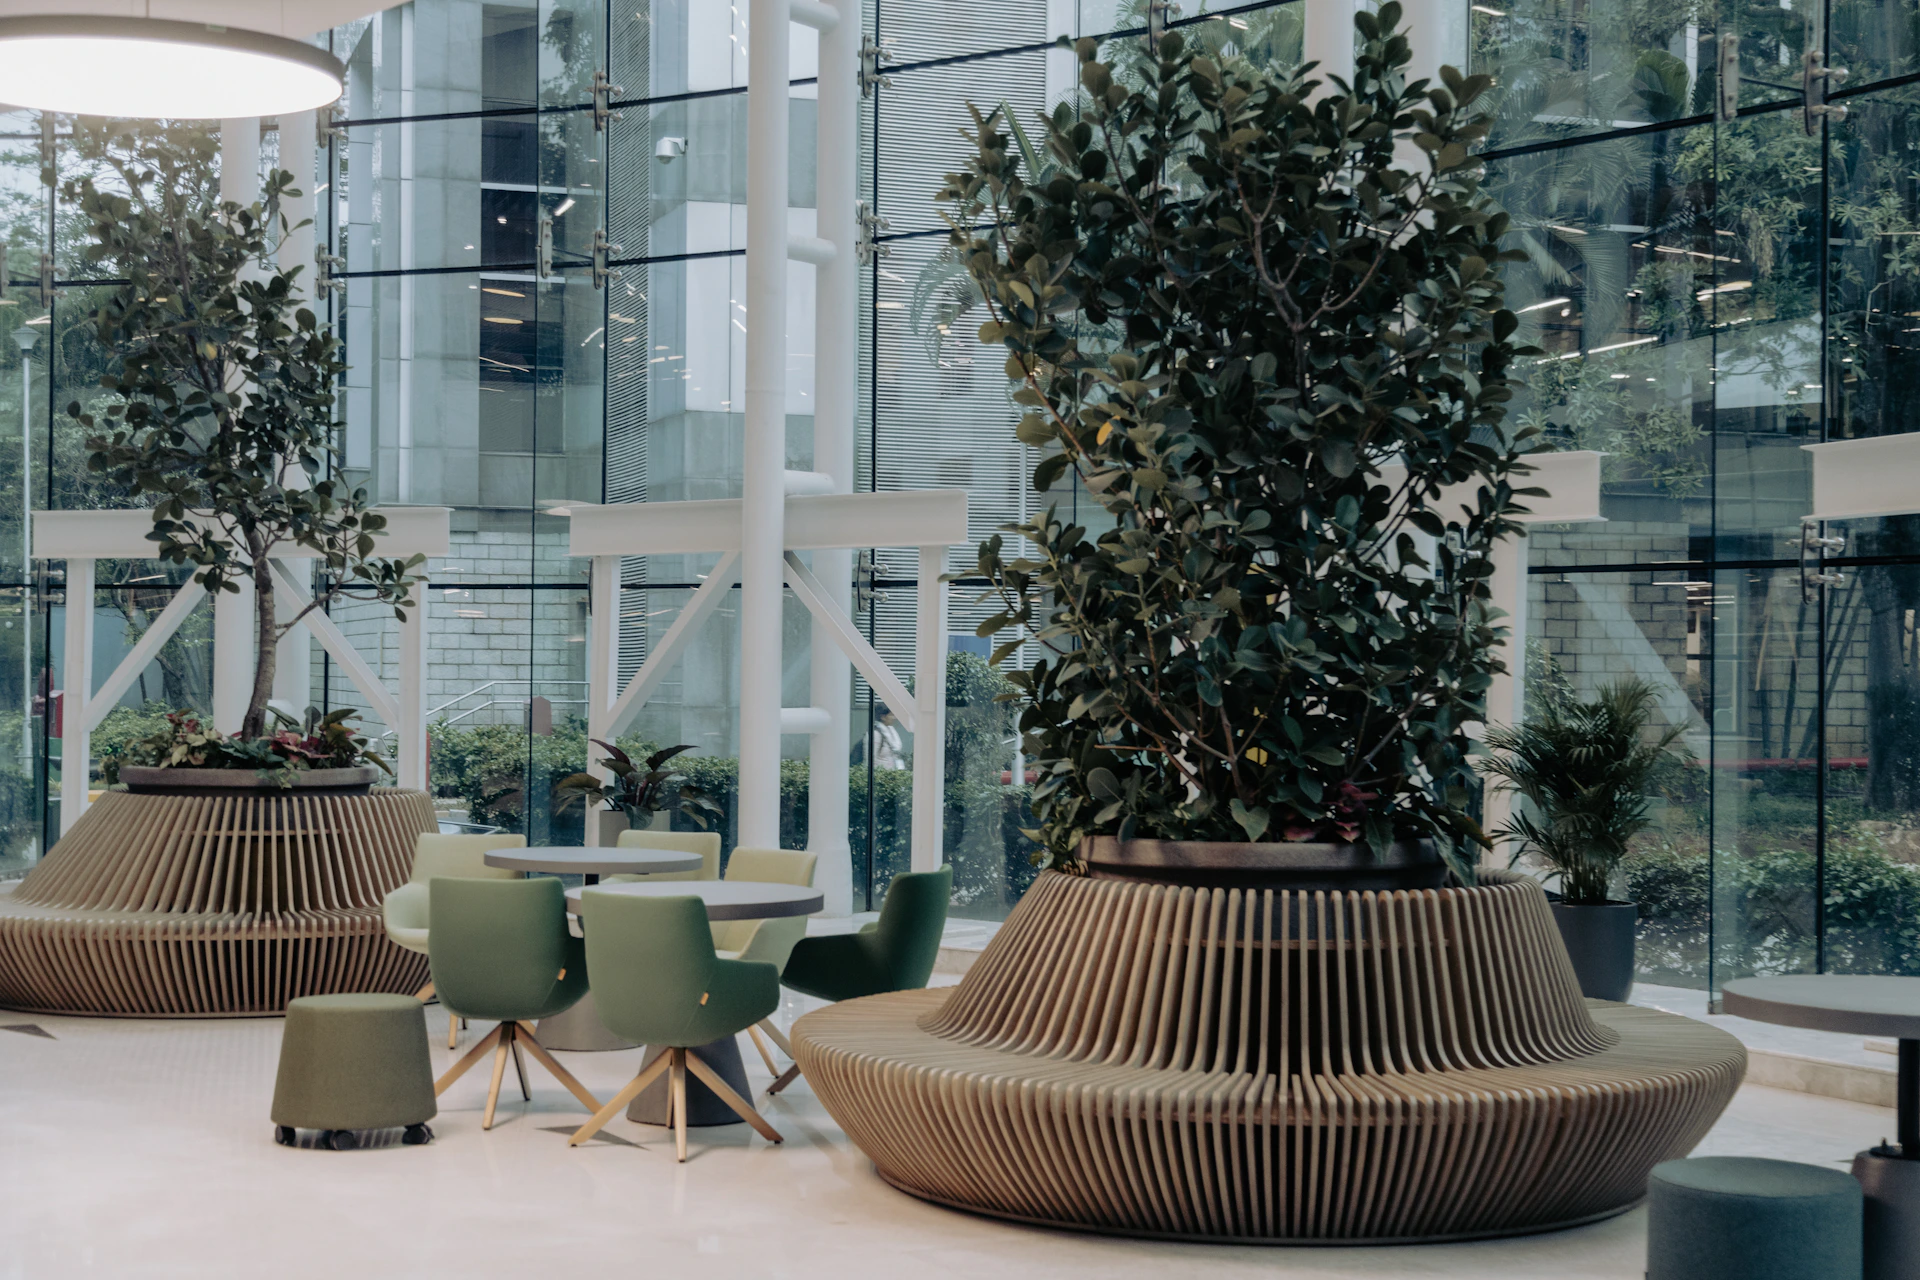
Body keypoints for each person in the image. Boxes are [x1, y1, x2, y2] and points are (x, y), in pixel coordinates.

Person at [868, 703, 905, 770]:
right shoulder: (876, 734)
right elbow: (871, 759)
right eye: (891, 715)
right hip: (881, 776)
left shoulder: (891, 731)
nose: (894, 718)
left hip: (892, 773)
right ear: (883, 717)